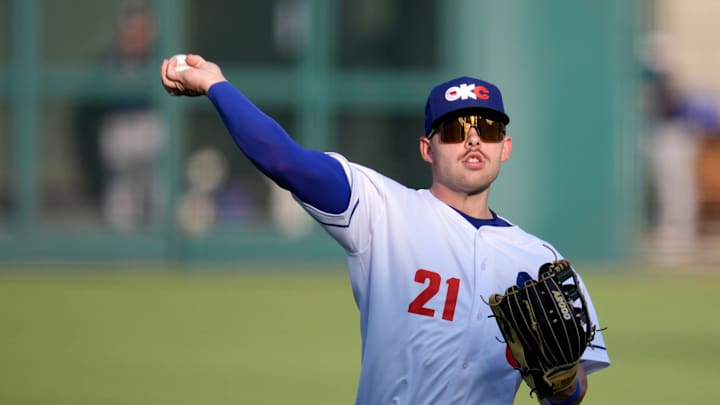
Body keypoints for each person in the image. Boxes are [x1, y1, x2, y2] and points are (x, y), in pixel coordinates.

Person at [160, 54, 610, 405]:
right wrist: (216, 84)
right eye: (454, 129)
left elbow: (570, 396)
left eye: (487, 129)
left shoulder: (540, 260)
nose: (473, 139)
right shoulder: (382, 212)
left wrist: (564, 380)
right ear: (426, 149)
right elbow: (285, 160)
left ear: (504, 147)